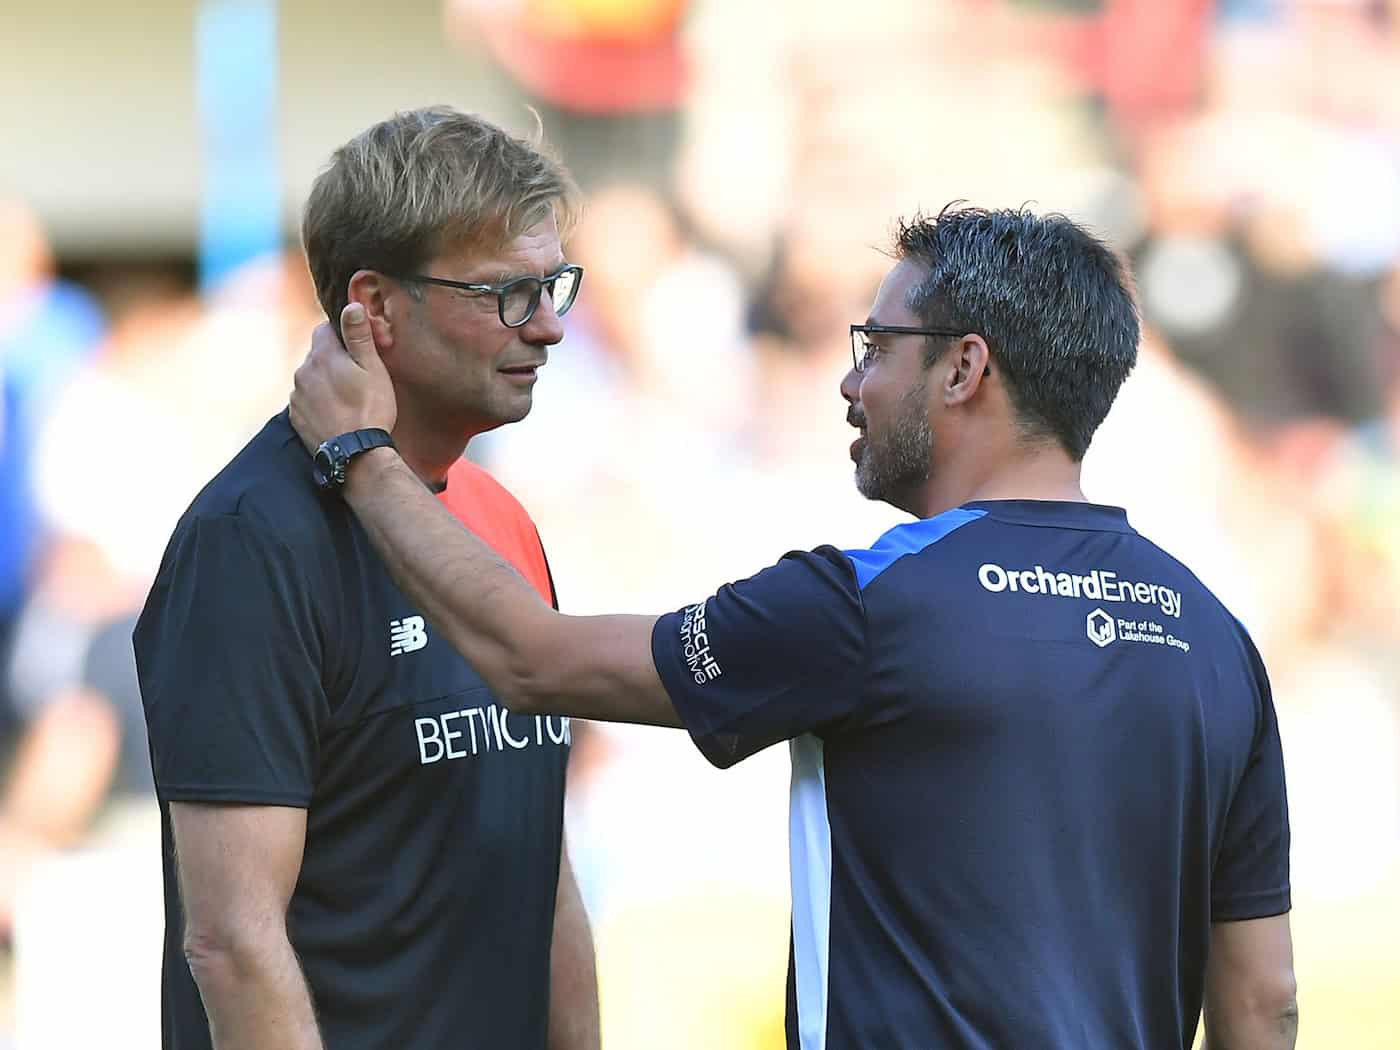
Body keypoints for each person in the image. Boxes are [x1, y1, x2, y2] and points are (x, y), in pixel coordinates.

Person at [290, 205, 1297, 1049]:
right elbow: (1261, 1001)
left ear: (962, 370)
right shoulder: (1210, 637)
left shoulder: (868, 606)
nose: (851, 382)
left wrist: (361, 454)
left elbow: (530, 657)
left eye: (876, 348)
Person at [134, 107, 599, 1050]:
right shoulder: (250, 541)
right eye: (508, 293)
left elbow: (543, 869)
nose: (549, 327)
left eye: (553, 285)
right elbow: (232, 940)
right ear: (374, 306)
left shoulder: (495, 516)